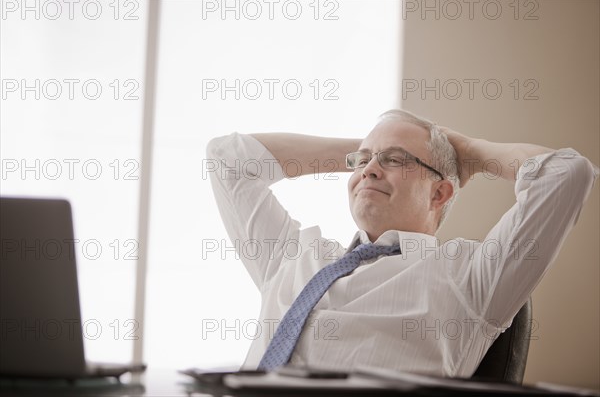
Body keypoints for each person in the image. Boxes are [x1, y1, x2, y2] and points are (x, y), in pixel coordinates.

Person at [206, 109, 597, 378]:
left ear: (439, 194)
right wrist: (368, 151)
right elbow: (228, 160)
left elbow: (567, 174)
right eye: (361, 162)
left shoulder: (470, 276)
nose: (370, 170)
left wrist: (471, 154)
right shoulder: (295, 256)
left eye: (395, 161)